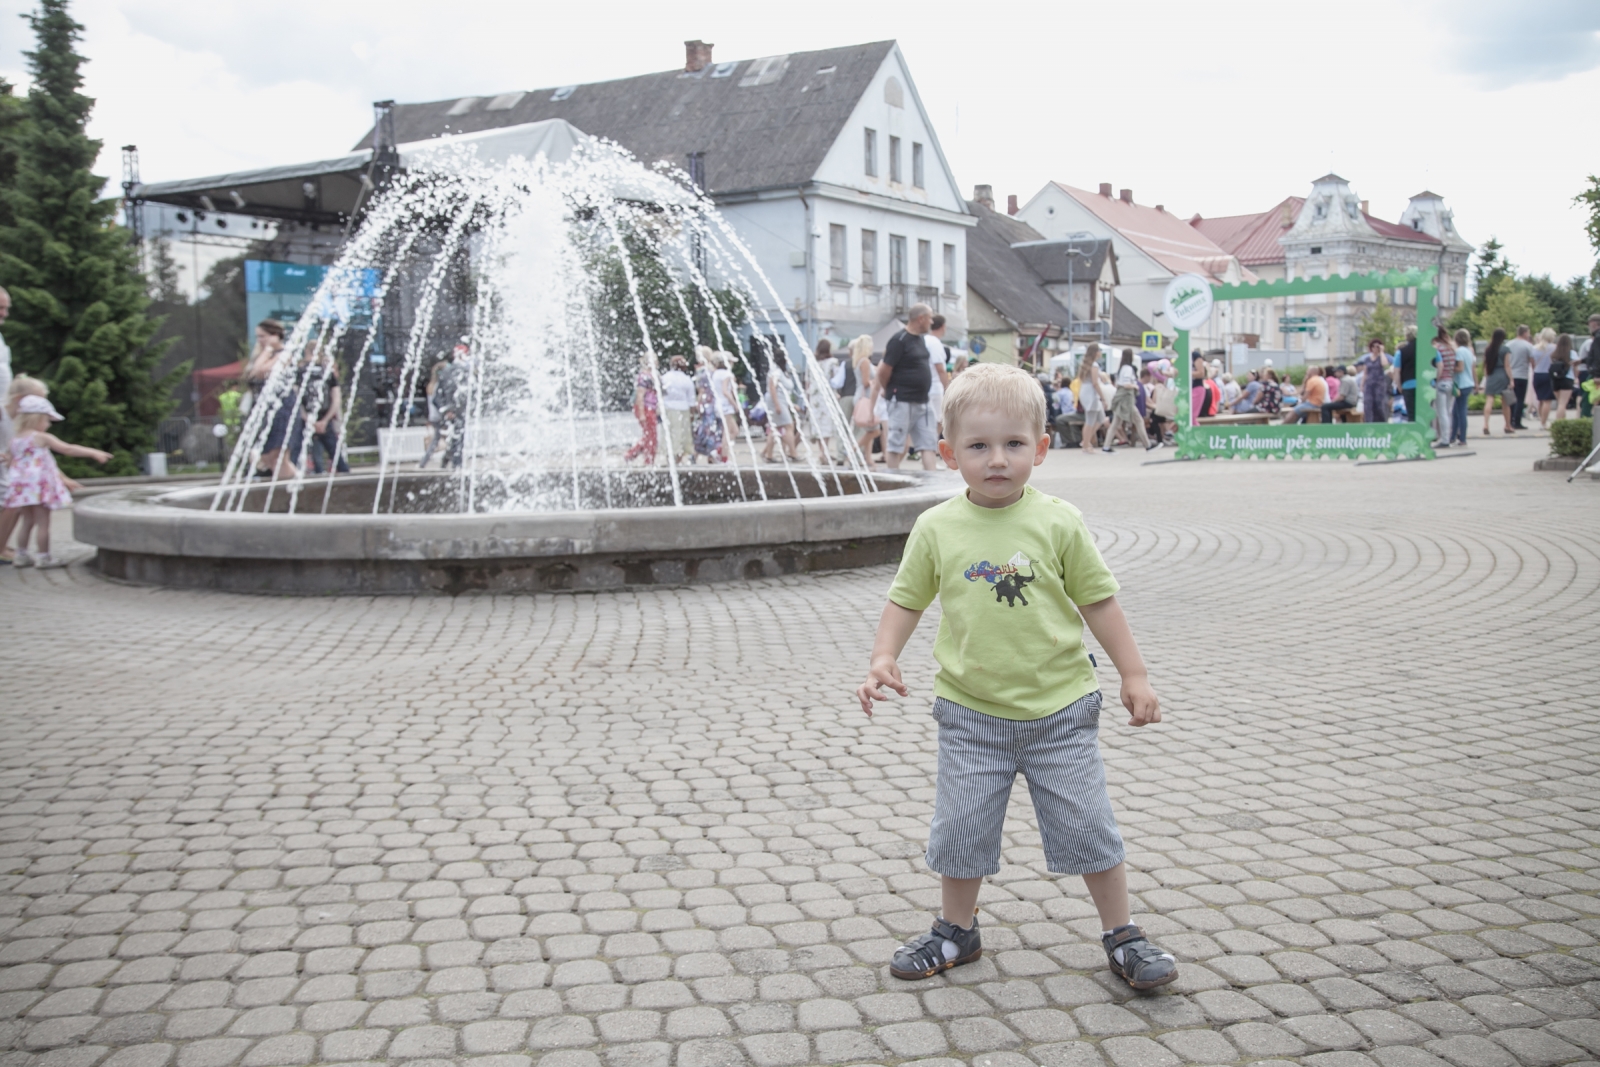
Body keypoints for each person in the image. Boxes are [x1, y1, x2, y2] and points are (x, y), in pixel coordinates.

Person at [855, 362, 1176, 992]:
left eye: (1013, 444)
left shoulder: (1059, 521)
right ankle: (957, 929)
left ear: (1042, 448)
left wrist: (1133, 674)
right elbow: (907, 598)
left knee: (1089, 825)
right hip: (970, 713)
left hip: (1061, 711)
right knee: (960, 827)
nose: (996, 459)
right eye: (978, 446)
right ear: (948, 453)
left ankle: (1122, 934)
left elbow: (1100, 603)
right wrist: (882, 656)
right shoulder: (936, 527)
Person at [3, 395, 112, 568]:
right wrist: (93, 452)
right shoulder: (41, 437)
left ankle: (21, 555)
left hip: (21, 488)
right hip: (38, 486)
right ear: (37, 419)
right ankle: (44, 557)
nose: (48, 424)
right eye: (47, 420)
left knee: (27, 522)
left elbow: (10, 462)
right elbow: (67, 449)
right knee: (43, 523)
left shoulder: (14, 440)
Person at [878, 304, 939, 470]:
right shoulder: (899, 340)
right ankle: (892, 478)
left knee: (928, 442)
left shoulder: (920, 340)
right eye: (930, 318)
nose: (932, 321)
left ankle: (931, 480)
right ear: (921, 319)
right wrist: (889, 389)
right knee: (896, 442)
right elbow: (883, 370)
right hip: (902, 400)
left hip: (922, 401)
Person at [243, 319, 298, 480]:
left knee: (278, 456)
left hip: (283, 407)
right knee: (267, 456)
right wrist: (266, 350)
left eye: (263, 336)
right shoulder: (267, 354)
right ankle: (291, 484)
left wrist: (267, 350)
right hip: (267, 408)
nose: (260, 340)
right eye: (258, 337)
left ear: (275, 335)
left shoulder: (285, 353)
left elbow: (263, 370)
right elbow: (254, 373)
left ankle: (295, 487)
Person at [298, 347, 350, 475]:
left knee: (297, 451)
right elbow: (336, 399)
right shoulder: (327, 372)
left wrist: (308, 419)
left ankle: (315, 471)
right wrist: (325, 420)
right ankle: (346, 476)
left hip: (306, 418)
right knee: (334, 451)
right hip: (324, 418)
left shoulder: (300, 372)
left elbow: (295, 400)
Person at [1106, 349, 1153, 451]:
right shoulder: (1128, 368)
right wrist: (1135, 386)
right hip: (1127, 399)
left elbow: (1119, 383)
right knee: (1139, 420)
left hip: (1123, 398)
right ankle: (1148, 445)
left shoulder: (1122, 368)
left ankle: (1106, 446)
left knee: (1115, 423)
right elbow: (1126, 384)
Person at [847, 335, 883, 464]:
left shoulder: (859, 361)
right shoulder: (865, 361)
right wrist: (876, 382)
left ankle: (868, 459)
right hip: (866, 398)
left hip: (861, 397)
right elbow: (866, 382)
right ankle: (852, 451)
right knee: (875, 430)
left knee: (870, 430)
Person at [762, 350, 801, 463]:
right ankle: (793, 453)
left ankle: (769, 455)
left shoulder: (781, 371)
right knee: (789, 426)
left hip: (780, 401)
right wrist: (777, 404)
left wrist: (790, 404)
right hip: (776, 402)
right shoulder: (776, 371)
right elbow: (772, 387)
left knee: (775, 428)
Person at [658, 355, 696, 465]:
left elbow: (661, 394)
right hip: (683, 409)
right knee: (682, 436)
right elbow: (691, 398)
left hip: (668, 408)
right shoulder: (686, 379)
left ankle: (669, 458)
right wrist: (692, 413)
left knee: (668, 433)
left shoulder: (665, 377)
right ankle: (678, 460)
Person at [691, 349, 725, 464]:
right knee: (714, 430)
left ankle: (697, 455)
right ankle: (711, 455)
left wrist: (698, 403)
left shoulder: (701, 371)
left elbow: (701, 390)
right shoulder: (714, 370)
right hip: (715, 402)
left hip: (706, 403)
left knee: (705, 429)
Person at [1480, 328, 1515, 436]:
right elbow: (1507, 366)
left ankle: (1486, 424)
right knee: (1506, 402)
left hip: (1491, 374)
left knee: (1489, 400)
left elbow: (1485, 365)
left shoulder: (1488, 349)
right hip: (1502, 375)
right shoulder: (1505, 349)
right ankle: (1507, 425)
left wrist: (1486, 377)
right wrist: (1511, 379)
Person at [926, 315, 953, 437]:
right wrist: (948, 388)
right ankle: (930, 443)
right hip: (935, 386)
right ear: (942, 326)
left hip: (923, 385)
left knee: (926, 420)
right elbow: (940, 369)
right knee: (941, 419)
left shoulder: (924, 339)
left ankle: (921, 446)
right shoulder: (935, 343)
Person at [1504, 324, 1535, 430]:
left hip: (1510, 375)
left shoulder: (1508, 344)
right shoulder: (1528, 345)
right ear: (1525, 333)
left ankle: (1510, 420)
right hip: (1522, 375)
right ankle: (1517, 421)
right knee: (1520, 399)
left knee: (1511, 399)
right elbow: (1531, 361)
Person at [1429, 331, 1457, 448]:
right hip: (1450, 381)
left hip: (1441, 383)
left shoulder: (1437, 348)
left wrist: (1437, 379)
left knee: (1442, 413)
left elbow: (1439, 365)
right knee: (1447, 411)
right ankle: (1448, 437)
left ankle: (1445, 440)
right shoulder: (1451, 348)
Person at [1078, 348, 1108, 452]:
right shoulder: (1094, 365)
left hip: (1085, 391)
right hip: (1091, 393)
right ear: (1095, 352)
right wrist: (1103, 398)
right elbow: (1095, 383)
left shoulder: (1088, 364)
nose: (1101, 352)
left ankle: (1085, 440)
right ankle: (1086, 445)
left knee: (1100, 418)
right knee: (1090, 420)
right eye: (1099, 350)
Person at [1451, 330, 1475, 447]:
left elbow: (1460, 368)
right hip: (1468, 383)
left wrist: (1450, 368)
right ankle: (1453, 436)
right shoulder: (1469, 351)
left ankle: (1462, 438)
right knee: (1456, 411)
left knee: (1460, 412)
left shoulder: (1459, 351)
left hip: (1461, 384)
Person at [1357, 340, 1389, 422]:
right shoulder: (1367, 359)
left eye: (1377, 346)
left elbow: (1384, 364)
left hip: (1379, 384)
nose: (1375, 348)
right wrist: (1362, 385)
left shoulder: (1381, 357)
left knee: (1379, 404)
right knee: (1368, 404)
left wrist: (1381, 352)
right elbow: (1365, 373)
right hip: (1369, 384)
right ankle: (1369, 422)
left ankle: (1381, 422)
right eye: (1373, 346)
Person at [1549, 334, 1574, 423]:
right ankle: (1559, 423)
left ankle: (1563, 422)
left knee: (1560, 402)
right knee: (1562, 404)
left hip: (1555, 380)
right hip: (1567, 379)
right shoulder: (1571, 353)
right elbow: (1576, 368)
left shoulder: (1554, 354)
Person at [1579, 314, 1600, 418]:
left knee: (1586, 402)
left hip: (1596, 375)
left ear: (1594, 324)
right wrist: (1582, 360)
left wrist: (1597, 375)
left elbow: (1597, 357)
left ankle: (1585, 423)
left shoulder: (1598, 337)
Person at [1396, 328, 1418, 423]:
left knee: (1411, 414)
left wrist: (1399, 386)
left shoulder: (1401, 352)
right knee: (1425, 414)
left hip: (1408, 384)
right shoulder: (1427, 349)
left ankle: (1414, 435)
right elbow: (1440, 364)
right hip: (1425, 385)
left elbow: (1397, 371)